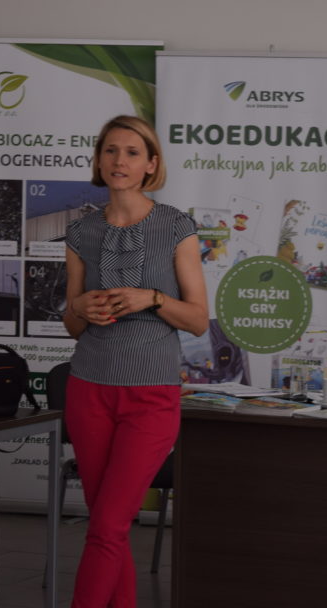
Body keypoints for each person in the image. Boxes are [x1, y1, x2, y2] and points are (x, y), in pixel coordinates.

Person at [63, 115, 207, 607]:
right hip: (89, 390)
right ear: (98, 160)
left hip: (150, 394)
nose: (118, 161)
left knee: (106, 526)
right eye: (110, 151)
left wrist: (153, 298)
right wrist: (80, 308)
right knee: (110, 526)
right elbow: (72, 323)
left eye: (130, 152)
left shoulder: (177, 227)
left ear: (151, 164)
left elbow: (198, 320)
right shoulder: (81, 231)